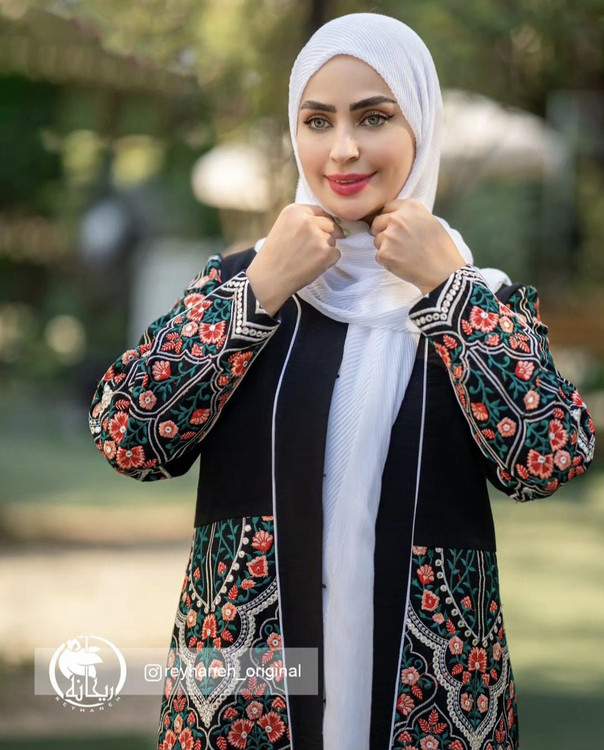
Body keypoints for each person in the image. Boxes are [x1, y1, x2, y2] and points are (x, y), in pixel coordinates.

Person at [88, 12, 595, 750]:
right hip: (247, 704)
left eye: (375, 117)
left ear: (420, 125)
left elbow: (551, 457)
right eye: (318, 120)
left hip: (431, 707)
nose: (344, 148)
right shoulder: (244, 284)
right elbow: (126, 436)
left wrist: (448, 291)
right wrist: (260, 290)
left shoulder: (481, 300)